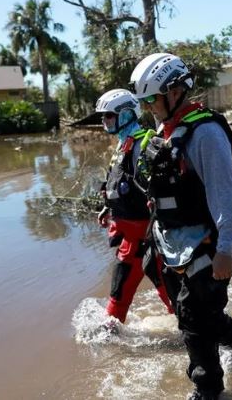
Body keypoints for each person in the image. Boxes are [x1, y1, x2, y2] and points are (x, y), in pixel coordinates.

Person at [129, 53, 232, 400]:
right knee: (200, 316)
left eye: (150, 99)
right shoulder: (166, 130)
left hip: (205, 245)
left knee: (192, 320)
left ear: (174, 92)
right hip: (173, 243)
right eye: (142, 101)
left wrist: (226, 250)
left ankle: (207, 390)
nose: (147, 107)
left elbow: (225, 195)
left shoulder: (205, 134)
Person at [94, 89, 173, 324]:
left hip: (150, 242)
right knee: (117, 298)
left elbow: (161, 192)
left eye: (108, 115)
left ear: (127, 114)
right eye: (103, 116)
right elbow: (121, 184)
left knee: (174, 297)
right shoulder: (123, 146)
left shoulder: (143, 146)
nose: (104, 121)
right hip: (130, 240)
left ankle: (204, 339)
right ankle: (105, 343)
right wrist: (108, 208)